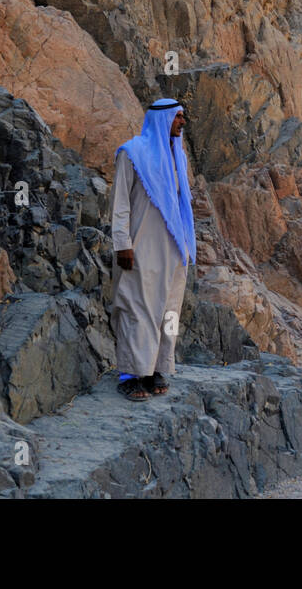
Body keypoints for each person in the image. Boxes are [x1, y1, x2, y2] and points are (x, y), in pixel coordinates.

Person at [109, 98, 196, 402]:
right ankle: (133, 374)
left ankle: (158, 368)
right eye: (178, 117)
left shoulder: (177, 157)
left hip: (174, 248)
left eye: (182, 117)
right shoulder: (131, 154)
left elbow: (181, 204)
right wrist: (122, 244)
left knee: (168, 311)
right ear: (163, 119)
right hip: (139, 246)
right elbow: (120, 204)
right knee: (138, 308)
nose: (182, 122)